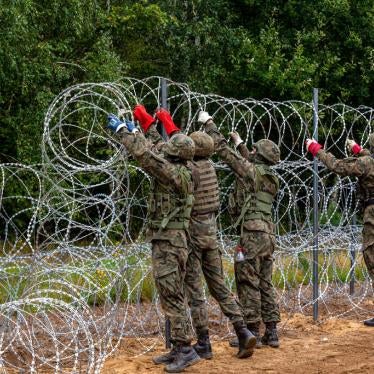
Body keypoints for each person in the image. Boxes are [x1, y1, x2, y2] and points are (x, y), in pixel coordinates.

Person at [133, 105, 256, 360]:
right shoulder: (208, 166)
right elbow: (179, 144)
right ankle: (242, 330)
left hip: (191, 234)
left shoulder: (188, 170)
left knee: (194, 291)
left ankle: (203, 342)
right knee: (219, 286)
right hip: (211, 232)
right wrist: (166, 125)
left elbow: (162, 152)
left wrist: (149, 127)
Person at [107, 114, 201, 373]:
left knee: (172, 294)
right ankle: (178, 347)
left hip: (171, 242)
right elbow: (154, 151)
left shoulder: (175, 174)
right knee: (171, 293)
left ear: (176, 155)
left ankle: (185, 350)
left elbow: (147, 158)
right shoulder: (182, 169)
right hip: (169, 239)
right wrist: (139, 131)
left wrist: (125, 132)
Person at [199, 111, 281, 349]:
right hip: (268, 235)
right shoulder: (269, 177)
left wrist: (209, 124)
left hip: (251, 235)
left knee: (247, 280)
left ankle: (252, 329)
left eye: (254, 150)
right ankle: (272, 332)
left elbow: (225, 154)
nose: (251, 152)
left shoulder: (252, 172)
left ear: (259, 156)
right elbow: (249, 162)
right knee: (265, 282)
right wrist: (241, 143)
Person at [307, 136, 374, 327]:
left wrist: (315, 149)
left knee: (372, 257)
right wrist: (358, 150)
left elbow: (337, 166)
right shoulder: (367, 160)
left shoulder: (366, 163)